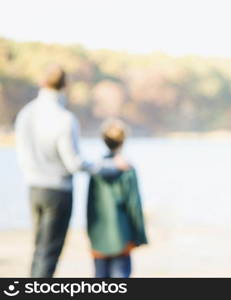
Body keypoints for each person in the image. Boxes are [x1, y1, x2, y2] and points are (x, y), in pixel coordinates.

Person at [15, 64, 127, 277]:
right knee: (49, 253)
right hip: (58, 192)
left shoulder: (25, 114)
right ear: (65, 86)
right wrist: (109, 167)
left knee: (39, 248)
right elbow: (74, 163)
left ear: (42, 83)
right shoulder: (65, 119)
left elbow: (22, 153)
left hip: (33, 188)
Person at [87, 118, 148, 278]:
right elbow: (134, 205)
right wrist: (140, 235)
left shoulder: (96, 169)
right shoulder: (127, 169)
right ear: (123, 141)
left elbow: (90, 205)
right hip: (123, 234)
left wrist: (90, 233)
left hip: (98, 235)